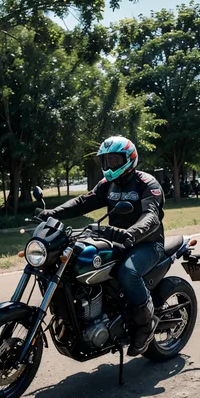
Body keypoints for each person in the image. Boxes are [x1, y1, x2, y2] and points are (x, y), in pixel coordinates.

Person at [38, 136, 165, 357]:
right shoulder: (108, 184)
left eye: (115, 160)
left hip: (147, 244)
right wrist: (53, 213)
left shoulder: (147, 184)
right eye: (105, 161)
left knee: (128, 272)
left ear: (129, 158)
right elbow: (83, 202)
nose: (109, 166)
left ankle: (145, 327)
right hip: (116, 240)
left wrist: (131, 233)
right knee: (79, 263)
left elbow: (151, 216)